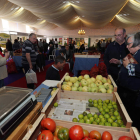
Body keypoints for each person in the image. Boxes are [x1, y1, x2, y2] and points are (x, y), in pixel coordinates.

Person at [117, 32, 140, 131]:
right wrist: (121, 62)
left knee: (133, 119)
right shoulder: (134, 54)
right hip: (128, 92)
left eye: (129, 44)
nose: (127, 46)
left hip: (134, 95)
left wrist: (128, 66)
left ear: (138, 44)